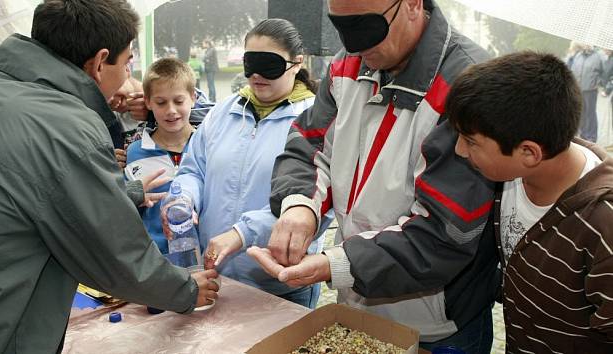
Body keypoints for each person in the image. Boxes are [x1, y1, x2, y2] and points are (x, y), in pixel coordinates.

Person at [248, 0, 498, 352]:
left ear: (412, 4)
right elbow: (307, 145)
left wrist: (336, 264)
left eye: (365, 26)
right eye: (341, 27)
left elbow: (444, 232)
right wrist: (300, 206)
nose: (352, 45)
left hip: (440, 324)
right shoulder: (348, 63)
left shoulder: (467, 82)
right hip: (359, 302)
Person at [0, 1, 218, 353]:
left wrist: (128, 191)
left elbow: (29, 187)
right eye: (126, 64)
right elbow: (116, 253)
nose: (127, 78)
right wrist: (185, 290)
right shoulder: (65, 128)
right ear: (98, 62)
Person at [446, 51, 613, 353]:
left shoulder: (604, 225)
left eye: (471, 141)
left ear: (528, 153)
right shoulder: (507, 177)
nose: (459, 150)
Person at [163, 18, 330, 308]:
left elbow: (316, 201)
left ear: (296, 63)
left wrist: (242, 233)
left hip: (280, 284)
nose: (256, 75)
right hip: (216, 277)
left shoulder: (314, 120)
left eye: (269, 65)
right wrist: (183, 197)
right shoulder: (223, 112)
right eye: (249, 63)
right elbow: (194, 169)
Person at [125, 58, 196, 255]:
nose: (171, 110)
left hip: (205, 256)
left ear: (193, 97)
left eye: (179, 101)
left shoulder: (207, 147)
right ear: (148, 102)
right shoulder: (135, 152)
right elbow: (124, 206)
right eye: (161, 102)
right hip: (156, 259)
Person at [567, 42, 603, 143]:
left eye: (589, 43)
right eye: (585, 42)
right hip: (579, 88)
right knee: (581, 112)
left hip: (591, 89)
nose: (586, 45)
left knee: (590, 113)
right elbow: (571, 68)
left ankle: (591, 136)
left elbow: (604, 73)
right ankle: (583, 134)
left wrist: (598, 82)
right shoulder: (578, 55)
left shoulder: (598, 56)